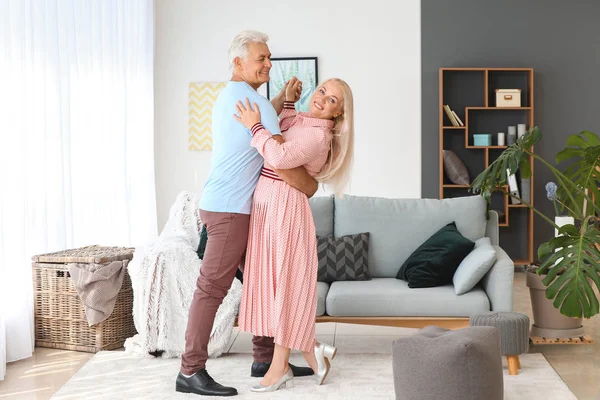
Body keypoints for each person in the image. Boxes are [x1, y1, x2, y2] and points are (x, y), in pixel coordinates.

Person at [175, 30, 318, 397]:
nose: (269, 64)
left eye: (270, 58)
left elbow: (261, 130)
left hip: (228, 205)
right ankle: (190, 371)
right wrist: (312, 185)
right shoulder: (251, 102)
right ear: (238, 62)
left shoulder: (237, 95)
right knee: (211, 289)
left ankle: (265, 358)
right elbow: (282, 159)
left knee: (263, 277)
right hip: (230, 211)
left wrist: (282, 99)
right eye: (261, 59)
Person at [235, 75, 355, 392]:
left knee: (284, 287)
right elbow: (283, 131)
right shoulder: (304, 122)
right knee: (276, 288)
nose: (322, 99)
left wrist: (253, 126)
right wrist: (288, 101)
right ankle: (317, 356)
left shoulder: (319, 137)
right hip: (269, 207)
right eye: (323, 91)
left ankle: (279, 368)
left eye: (333, 100)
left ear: (338, 114)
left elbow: (278, 156)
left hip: (285, 208)